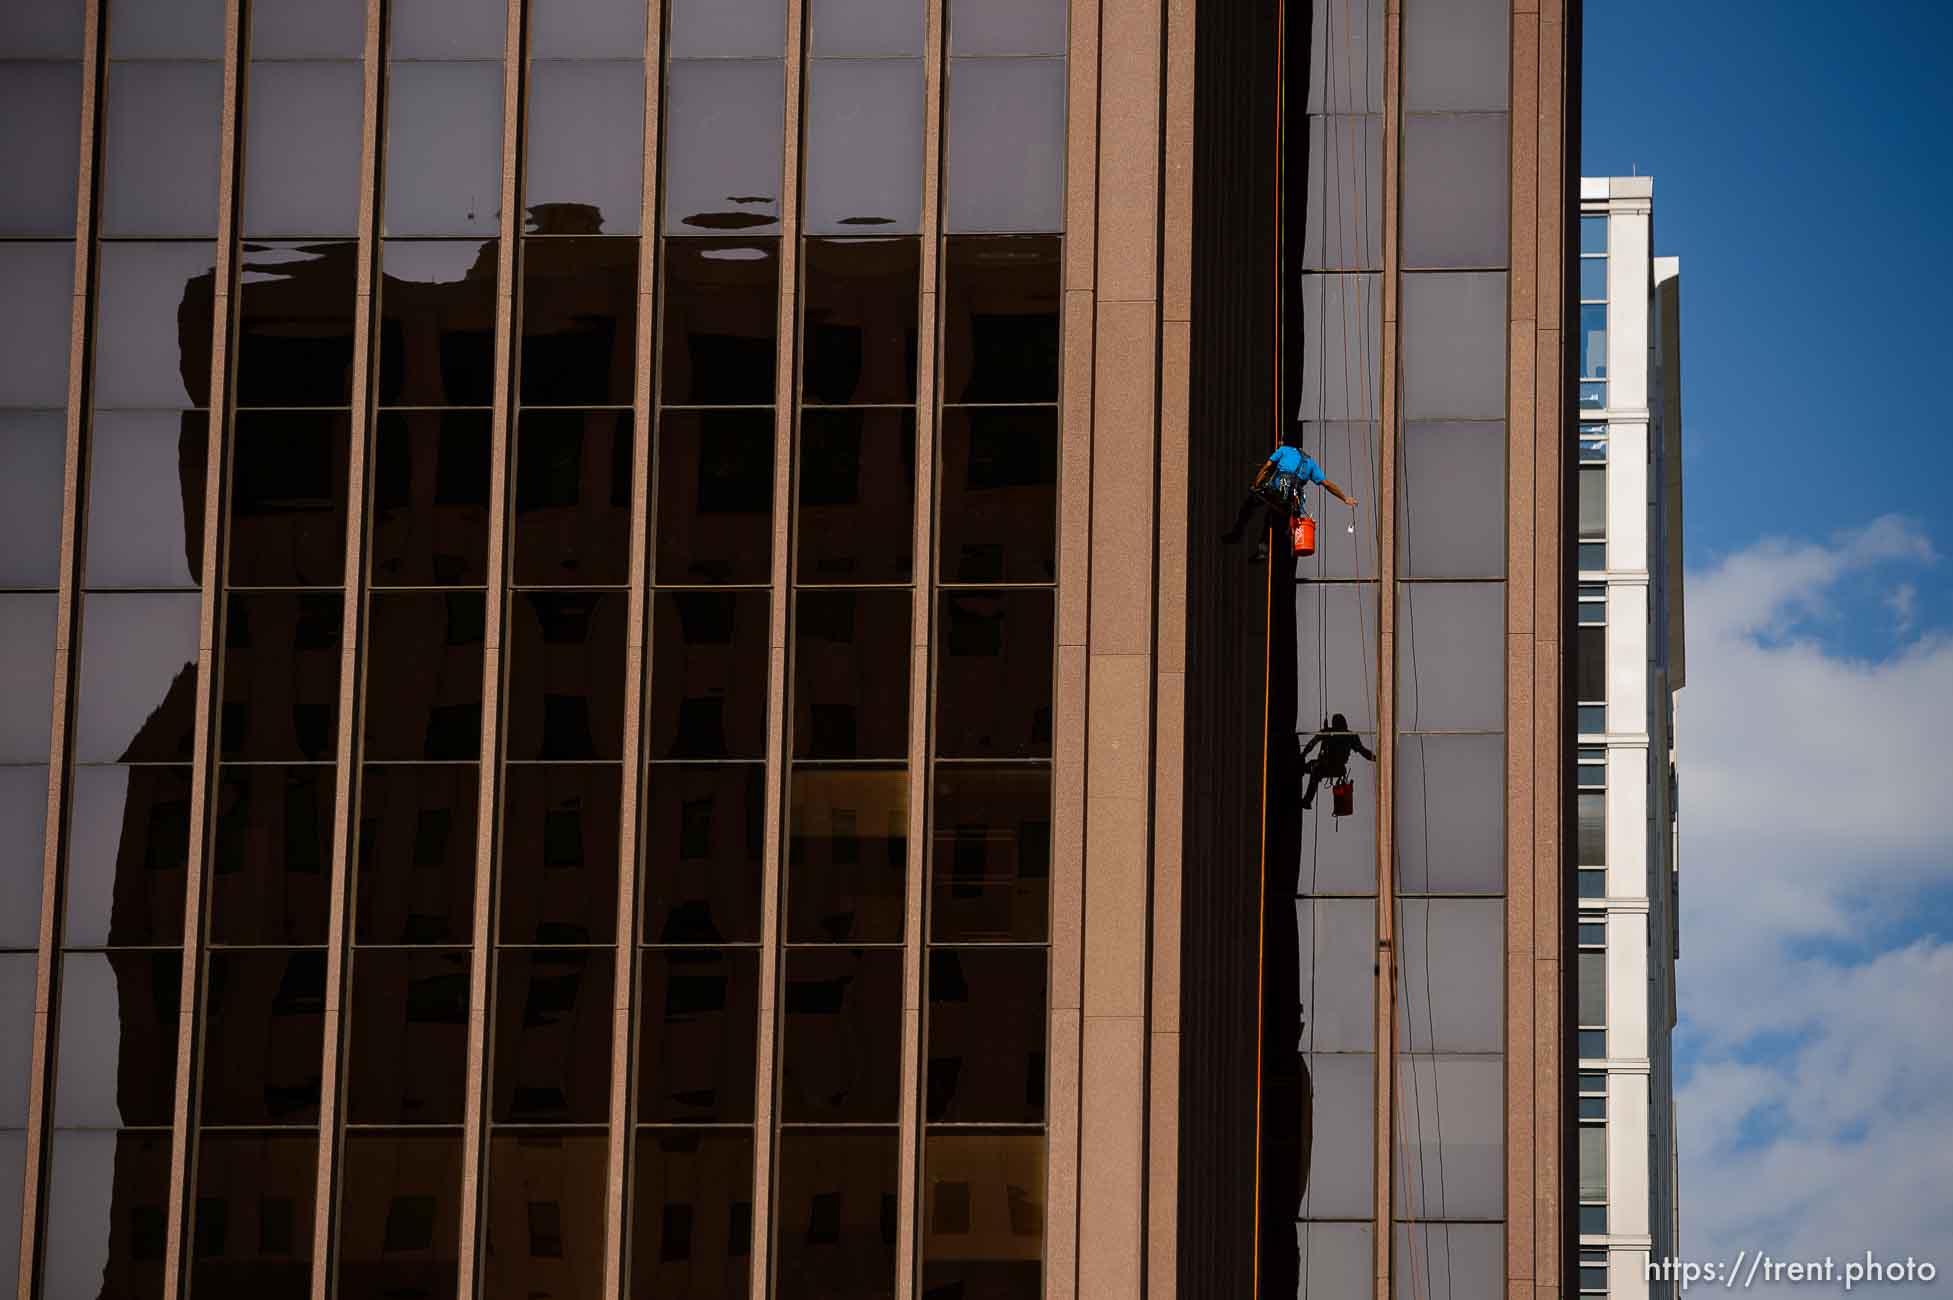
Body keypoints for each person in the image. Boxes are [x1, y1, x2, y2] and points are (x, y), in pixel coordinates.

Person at [1222, 436, 1360, 560]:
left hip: (1275, 492)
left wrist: (1256, 485)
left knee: (1251, 504)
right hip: (1290, 502)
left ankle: (1237, 533)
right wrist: (1345, 498)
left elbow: (1267, 468)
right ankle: (1265, 549)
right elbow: (1327, 484)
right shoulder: (1310, 463)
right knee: (1274, 517)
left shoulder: (1284, 450)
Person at [1299, 713, 1375, 810]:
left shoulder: (1343, 735)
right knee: (1309, 767)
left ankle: (1307, 800)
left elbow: (1311, 744)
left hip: (1333, 768)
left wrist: (1303, 754)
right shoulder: (1348, 736)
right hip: (1334, 768)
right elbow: (1363, 751)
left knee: (1314, 769)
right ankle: (1305, 799)